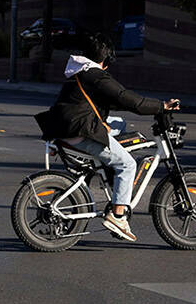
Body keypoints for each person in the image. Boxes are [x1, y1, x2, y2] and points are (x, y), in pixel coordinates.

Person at [36, 32, 178, 242]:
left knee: (118, 124)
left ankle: (109, 175)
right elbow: (127, 98)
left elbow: (114, 102)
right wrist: (161, 106)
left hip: (64, 127)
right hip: (80, 130)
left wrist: (148, 107)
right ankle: (118, 215)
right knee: (127, 164)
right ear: (104, 60)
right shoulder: (95, 75)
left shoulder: (79, 73)